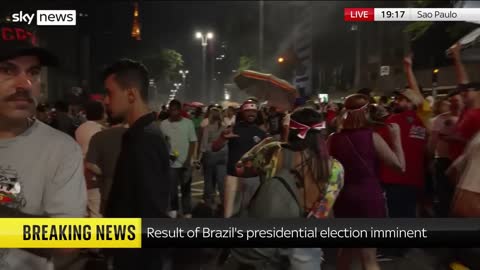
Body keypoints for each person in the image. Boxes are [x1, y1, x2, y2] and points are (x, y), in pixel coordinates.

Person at [0, 22, 87, 269]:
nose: (25, 84)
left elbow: (69, 240)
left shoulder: (61, 149)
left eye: (33, 72)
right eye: (8, 70)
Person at [224, 107, 344, 270]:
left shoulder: (273, 152)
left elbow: (240, 167)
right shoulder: (335, 167)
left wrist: (266, 143)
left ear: (292, 129)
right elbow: (323, 211)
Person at [102, 59, 171, 270]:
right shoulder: (139, 134)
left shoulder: (145, 138)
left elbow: (150, 209)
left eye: (110, 93)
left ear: (131, 94)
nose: (105, 100)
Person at [328, 94, 405, 270]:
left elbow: (326, 170)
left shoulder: (333, 138)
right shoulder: (372, 137)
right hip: (369, 197)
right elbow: (399, 166)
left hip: (343, 197)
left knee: (345, 251)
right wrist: (396, 138)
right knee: (368, 257)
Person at [377, 87, 427, 219]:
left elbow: (378, 143)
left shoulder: (393, 120)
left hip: (395, 177)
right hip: (415, 178)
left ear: (412, 103)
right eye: (398, 99)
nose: (397, 102)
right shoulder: (421, 123)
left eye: (402, 100)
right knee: (409, 214)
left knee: (395, 217)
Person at [212, 100, 267, 217]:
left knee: (249, 215)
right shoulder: (232, 129)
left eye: (254, 111)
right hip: (233, 178)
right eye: (248, 111)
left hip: (253, 179)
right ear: (242, 113)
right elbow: (215, 147)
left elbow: (264, 158)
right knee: (229, 215)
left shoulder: (261, 133)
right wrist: (223, 137)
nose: (251, 114)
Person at [161, 99, 197, 219]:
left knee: (186, 188)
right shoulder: (164, 124)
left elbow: (192, 142)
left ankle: (187, 211)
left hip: (185, 162)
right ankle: (173, 209)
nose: (174, 113)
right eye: (171, 110)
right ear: (169, 110)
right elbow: (162, 142)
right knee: (172, 189)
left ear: (180, 110)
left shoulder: (188, 123)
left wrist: (188, 159)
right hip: (171, 163)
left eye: (176, 110)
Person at [85, 113, 127, 216]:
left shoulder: (98, 137)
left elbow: (90, 164)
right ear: (125, 120)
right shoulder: (133, 135)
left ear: (107, 120)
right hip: (129, 188)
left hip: (107, 188)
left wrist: (105, 173)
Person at [429, 91, 463, 217]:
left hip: (462, 161)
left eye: (456, 101)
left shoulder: (467, 117)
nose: (454, 104)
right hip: (443, 160)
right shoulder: (440, 119)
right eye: (452, 101)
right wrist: (431, 159)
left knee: (458, 194)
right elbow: (433, 140)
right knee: (444, 194)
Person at [200, 107, 227, 209]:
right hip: (222, 156)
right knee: (221, 181)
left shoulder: (208, 127)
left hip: (210, 155)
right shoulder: (224, 127)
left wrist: (200, 157)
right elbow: (226, 142)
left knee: (209, 180)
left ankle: (209, 203)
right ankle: (224, 203)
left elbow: (204, 144)